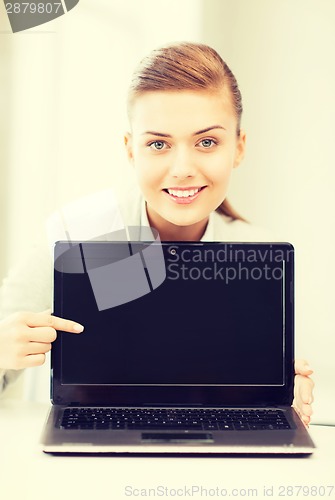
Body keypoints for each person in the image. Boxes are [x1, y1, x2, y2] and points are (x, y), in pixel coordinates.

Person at [0, 42, 314, 425]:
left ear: (239, 147)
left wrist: (281, 394)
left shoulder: (262, 254)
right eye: (158, 144)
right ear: (131, 150)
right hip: (83, 454)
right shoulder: (75, 232)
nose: (182, 168)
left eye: (207, 142)